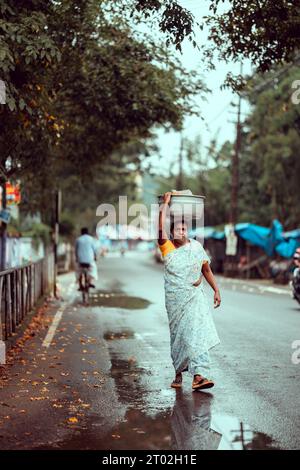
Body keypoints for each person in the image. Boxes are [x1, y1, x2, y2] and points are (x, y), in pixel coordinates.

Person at [158, 192, 221, 391]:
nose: (181, 231)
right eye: (177, 228)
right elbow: (159, 228)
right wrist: (166, 204)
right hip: (176, 301)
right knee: (180, 336)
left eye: (184, 228)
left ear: (188, 230)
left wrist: (216, 290)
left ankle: (199, 375)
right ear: (172, 232)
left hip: (194, 299)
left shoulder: (196, 247)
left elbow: (206, 270)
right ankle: (178, 372)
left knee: (197, 334)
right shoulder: (167, 247)